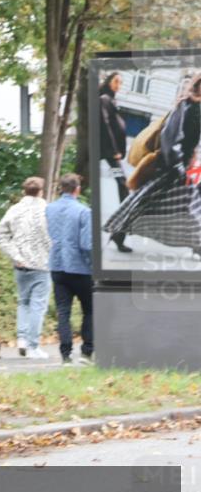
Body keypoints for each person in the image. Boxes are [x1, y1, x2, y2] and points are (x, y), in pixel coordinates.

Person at [103, 72, 201, 261]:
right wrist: (177, 164)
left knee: (189, 204)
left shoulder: (198, 107)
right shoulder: (185, 105)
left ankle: (197, 245)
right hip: (172, 164)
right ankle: (118, 231)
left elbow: (193, 140)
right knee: (146, 201)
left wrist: (191, 162)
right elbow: (170, 136)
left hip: (183, 165)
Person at [0, 177, 52, 359]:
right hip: (43, 264)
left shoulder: (15, 210)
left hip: (21, 265)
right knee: (38, 306)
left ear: (24, 191)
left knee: (23, 302)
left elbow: (0, 236)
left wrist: (16, 256)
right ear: (41, 191)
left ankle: (21, 339)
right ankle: (33, 346)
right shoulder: (47, 210)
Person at [46, 173, 94, 365]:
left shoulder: (49, 209)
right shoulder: (84, 211)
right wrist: (93, 265)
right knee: (89, 310)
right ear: (77, 189)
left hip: (57, 266)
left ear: (61, 188)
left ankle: (65, 355)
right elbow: (87, 244)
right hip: (80, 268)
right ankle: (86, 352)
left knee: (63, 311)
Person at [99, 72, 132, 252]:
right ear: (109, 82)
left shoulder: (111, 100)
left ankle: (118, 235)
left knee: (123, 187)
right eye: (116, 81)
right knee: (123, 186)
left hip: (110, 154)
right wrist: (114, 151)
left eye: (121, 82)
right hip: (110, 154)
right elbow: (104, 126)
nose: (119, 85)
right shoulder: (104, 99)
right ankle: (118, 235)